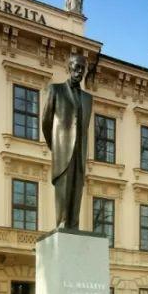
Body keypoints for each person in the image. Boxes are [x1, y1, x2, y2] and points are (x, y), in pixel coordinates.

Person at [41, 53, 93, 229]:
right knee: (63, 189)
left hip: (79, 151)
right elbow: (46, 122)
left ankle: (74, 224)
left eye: (83, 69)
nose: (79, 72)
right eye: (76, 67)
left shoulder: (88, 99)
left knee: (77, 189)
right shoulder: (55, 90)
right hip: (62, 149)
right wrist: (55, 145)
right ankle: (62, 222)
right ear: (69, 67)